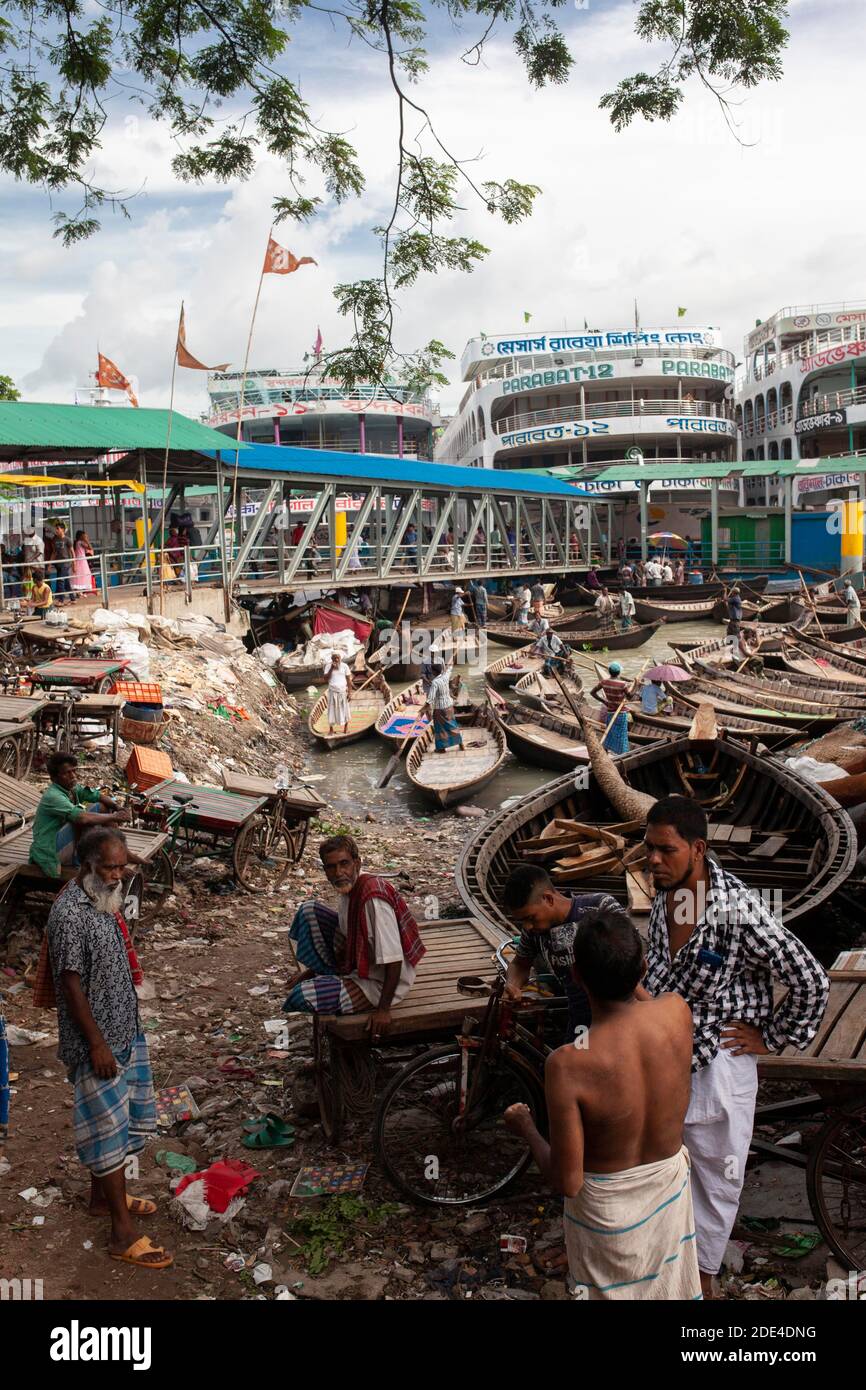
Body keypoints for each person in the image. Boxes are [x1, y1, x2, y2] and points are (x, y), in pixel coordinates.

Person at [641, 795, 829, 1298]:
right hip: (666, 1059)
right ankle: (670, 1269)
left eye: (665, 849)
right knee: (670, 1171)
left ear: (698, 848)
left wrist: (771, 1038)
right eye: (649, 848)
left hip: (718, 1067)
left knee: (716, 1182)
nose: (653, 860)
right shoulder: (667, 893)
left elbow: (810, 978)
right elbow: (659, 968)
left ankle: (702, 1283)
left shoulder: (737, 911)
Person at [504, 907, 700, 1301]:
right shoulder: (677, 1012)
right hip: (668, 1196)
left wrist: (526, 1127)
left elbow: (568, 1181)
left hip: (606, 1218)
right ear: (643, 968)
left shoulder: (568, 1064)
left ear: (576, 977)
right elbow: (644, 1007)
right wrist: (632, 977)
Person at [46, 827, 170, 1269]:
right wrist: (97, 1044)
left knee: (120, 1123)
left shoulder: (104, 898)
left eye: (122, 866)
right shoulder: (71, 912)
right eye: (110, 867)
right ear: (88, 866)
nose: (118, 875)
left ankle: (102, 1200)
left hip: (123, 1028)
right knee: (107, 1132)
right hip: (98, 1042)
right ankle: (121, 1233)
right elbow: (70, 984)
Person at [284, 835, 426, 1038]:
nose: (339, 872)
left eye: (344, 864)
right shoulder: (349, 886)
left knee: (303, 995)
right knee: (308, 911)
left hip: (380, 983)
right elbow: (346, 932)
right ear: (325, 870)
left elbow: (394, 959)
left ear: (357, 863)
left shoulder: (372, 900)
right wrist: (312, 972)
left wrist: (383, 1010)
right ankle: (327, 974)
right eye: (331, 867)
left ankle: (343, 985)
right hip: (358, 963)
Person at [501, 866, 623, 1045]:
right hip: (580, 1019)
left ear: (548, 899)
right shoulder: (534, 932)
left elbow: (634, 955)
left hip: (619, 1015)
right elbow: (520, 963)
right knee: (571, 1066)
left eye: (531, 918)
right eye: (522, 921)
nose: (527, 927)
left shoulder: (600, 907)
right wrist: (512, 985)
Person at [30, 752, 131, 880]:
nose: (73, 776)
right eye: (67, 773)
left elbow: (96, 795)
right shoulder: (53, 796)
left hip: (63, 842)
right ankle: (86, 859)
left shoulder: (71, 788)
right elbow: (82, 818)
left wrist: (117, 807)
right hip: (51, 850)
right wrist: (115, 817)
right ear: (55, 778)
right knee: (86, 816)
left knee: (102, 807)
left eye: (73, 771)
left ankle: (121, 853)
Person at [423, 658, 465, 753]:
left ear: (433, 672)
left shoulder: (435, 682)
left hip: (440, 709)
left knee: (440, 728)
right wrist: (451, 661)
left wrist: (422, 709)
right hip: (449, 706)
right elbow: (450, 667)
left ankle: (441, 748)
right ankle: (460, 743)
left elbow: (430, 699)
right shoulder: (446, 676)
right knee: (452, 725)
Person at [590, 661, 631, 753]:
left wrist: (604, 701)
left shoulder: (604, 682)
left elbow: (592, 692)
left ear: (609, 672)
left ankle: (606, 751)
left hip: (610, 712)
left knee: (609, 733)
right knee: (621, 735)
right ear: (619, 673)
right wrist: (635, 684)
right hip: (621, 713)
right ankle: (622, 754)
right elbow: (630, 696)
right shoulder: (623, 684)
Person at [323, 649, 351, 735]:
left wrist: (350, 692)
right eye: (334, 658)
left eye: (338, 658)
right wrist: (331, 668)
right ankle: (331, 729)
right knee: (331, 710)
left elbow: (348, 680)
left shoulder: (345, 666)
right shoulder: (328, 666)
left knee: (345, 709)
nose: (336, 660)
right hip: (332, 691)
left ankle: (345, 728)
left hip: (343, 691)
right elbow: (325, 679)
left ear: (340, 658)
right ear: (331, 659)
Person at [52, 522, 75, 604]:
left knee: (60, 581)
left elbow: (72, 552)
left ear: (63, 529)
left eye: (58, 528)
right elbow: (54, 552)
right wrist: (50, 563)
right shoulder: (55, 540)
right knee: (66, 582)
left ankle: (61, 600)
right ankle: (73, 599)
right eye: (56, 529)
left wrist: (74, 564)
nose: (56, 530)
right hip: (58, 563)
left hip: (65, 563)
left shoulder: (67, 540)